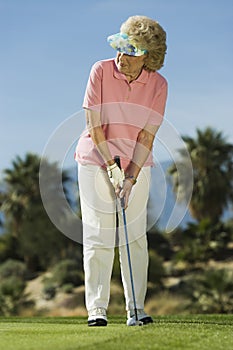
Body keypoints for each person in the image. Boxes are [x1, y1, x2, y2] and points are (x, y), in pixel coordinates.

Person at [75, 15, 168, 326]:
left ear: (147, 58)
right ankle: (97, 310)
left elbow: (147, 136)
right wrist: (113, 170)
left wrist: (130, 177)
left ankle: (136, 309)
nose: (120, 57)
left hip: (136, 164)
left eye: (130, 52)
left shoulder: (158, 85)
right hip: (95, 159)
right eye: (119, 48)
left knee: (134, 236)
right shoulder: (100, 71)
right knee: (98, 233)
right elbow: (94, 126)